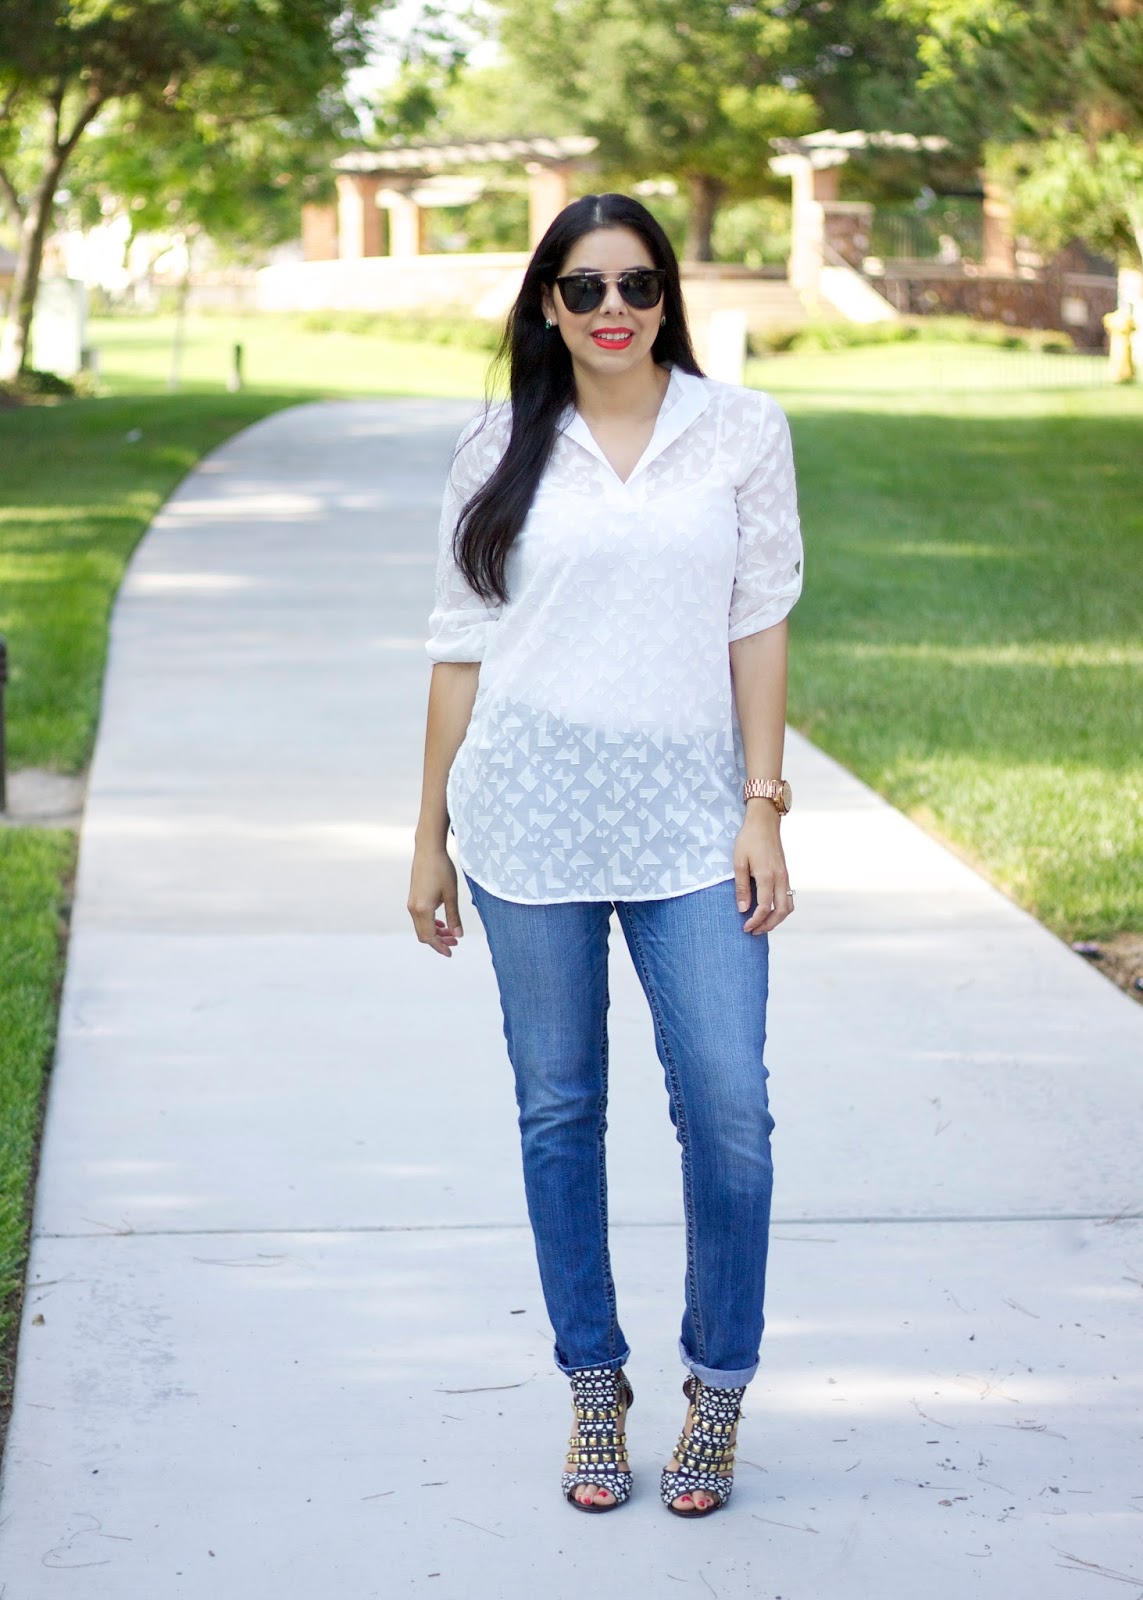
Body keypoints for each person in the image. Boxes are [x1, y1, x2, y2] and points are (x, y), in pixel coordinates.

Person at [408, 193, 803, 1518]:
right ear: (548, 307)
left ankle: (719, 1386)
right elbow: (459, 648)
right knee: (560, 1111)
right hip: (527, 818)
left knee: (728, 1114)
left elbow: (759, 619)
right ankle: (594, 1383)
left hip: (695, 820)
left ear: (668, 295)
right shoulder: (497, 446)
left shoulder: (741, 431)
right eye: (586, 289)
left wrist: (764, 802)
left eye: (638, 284)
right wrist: (429, 839)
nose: (615, 310)